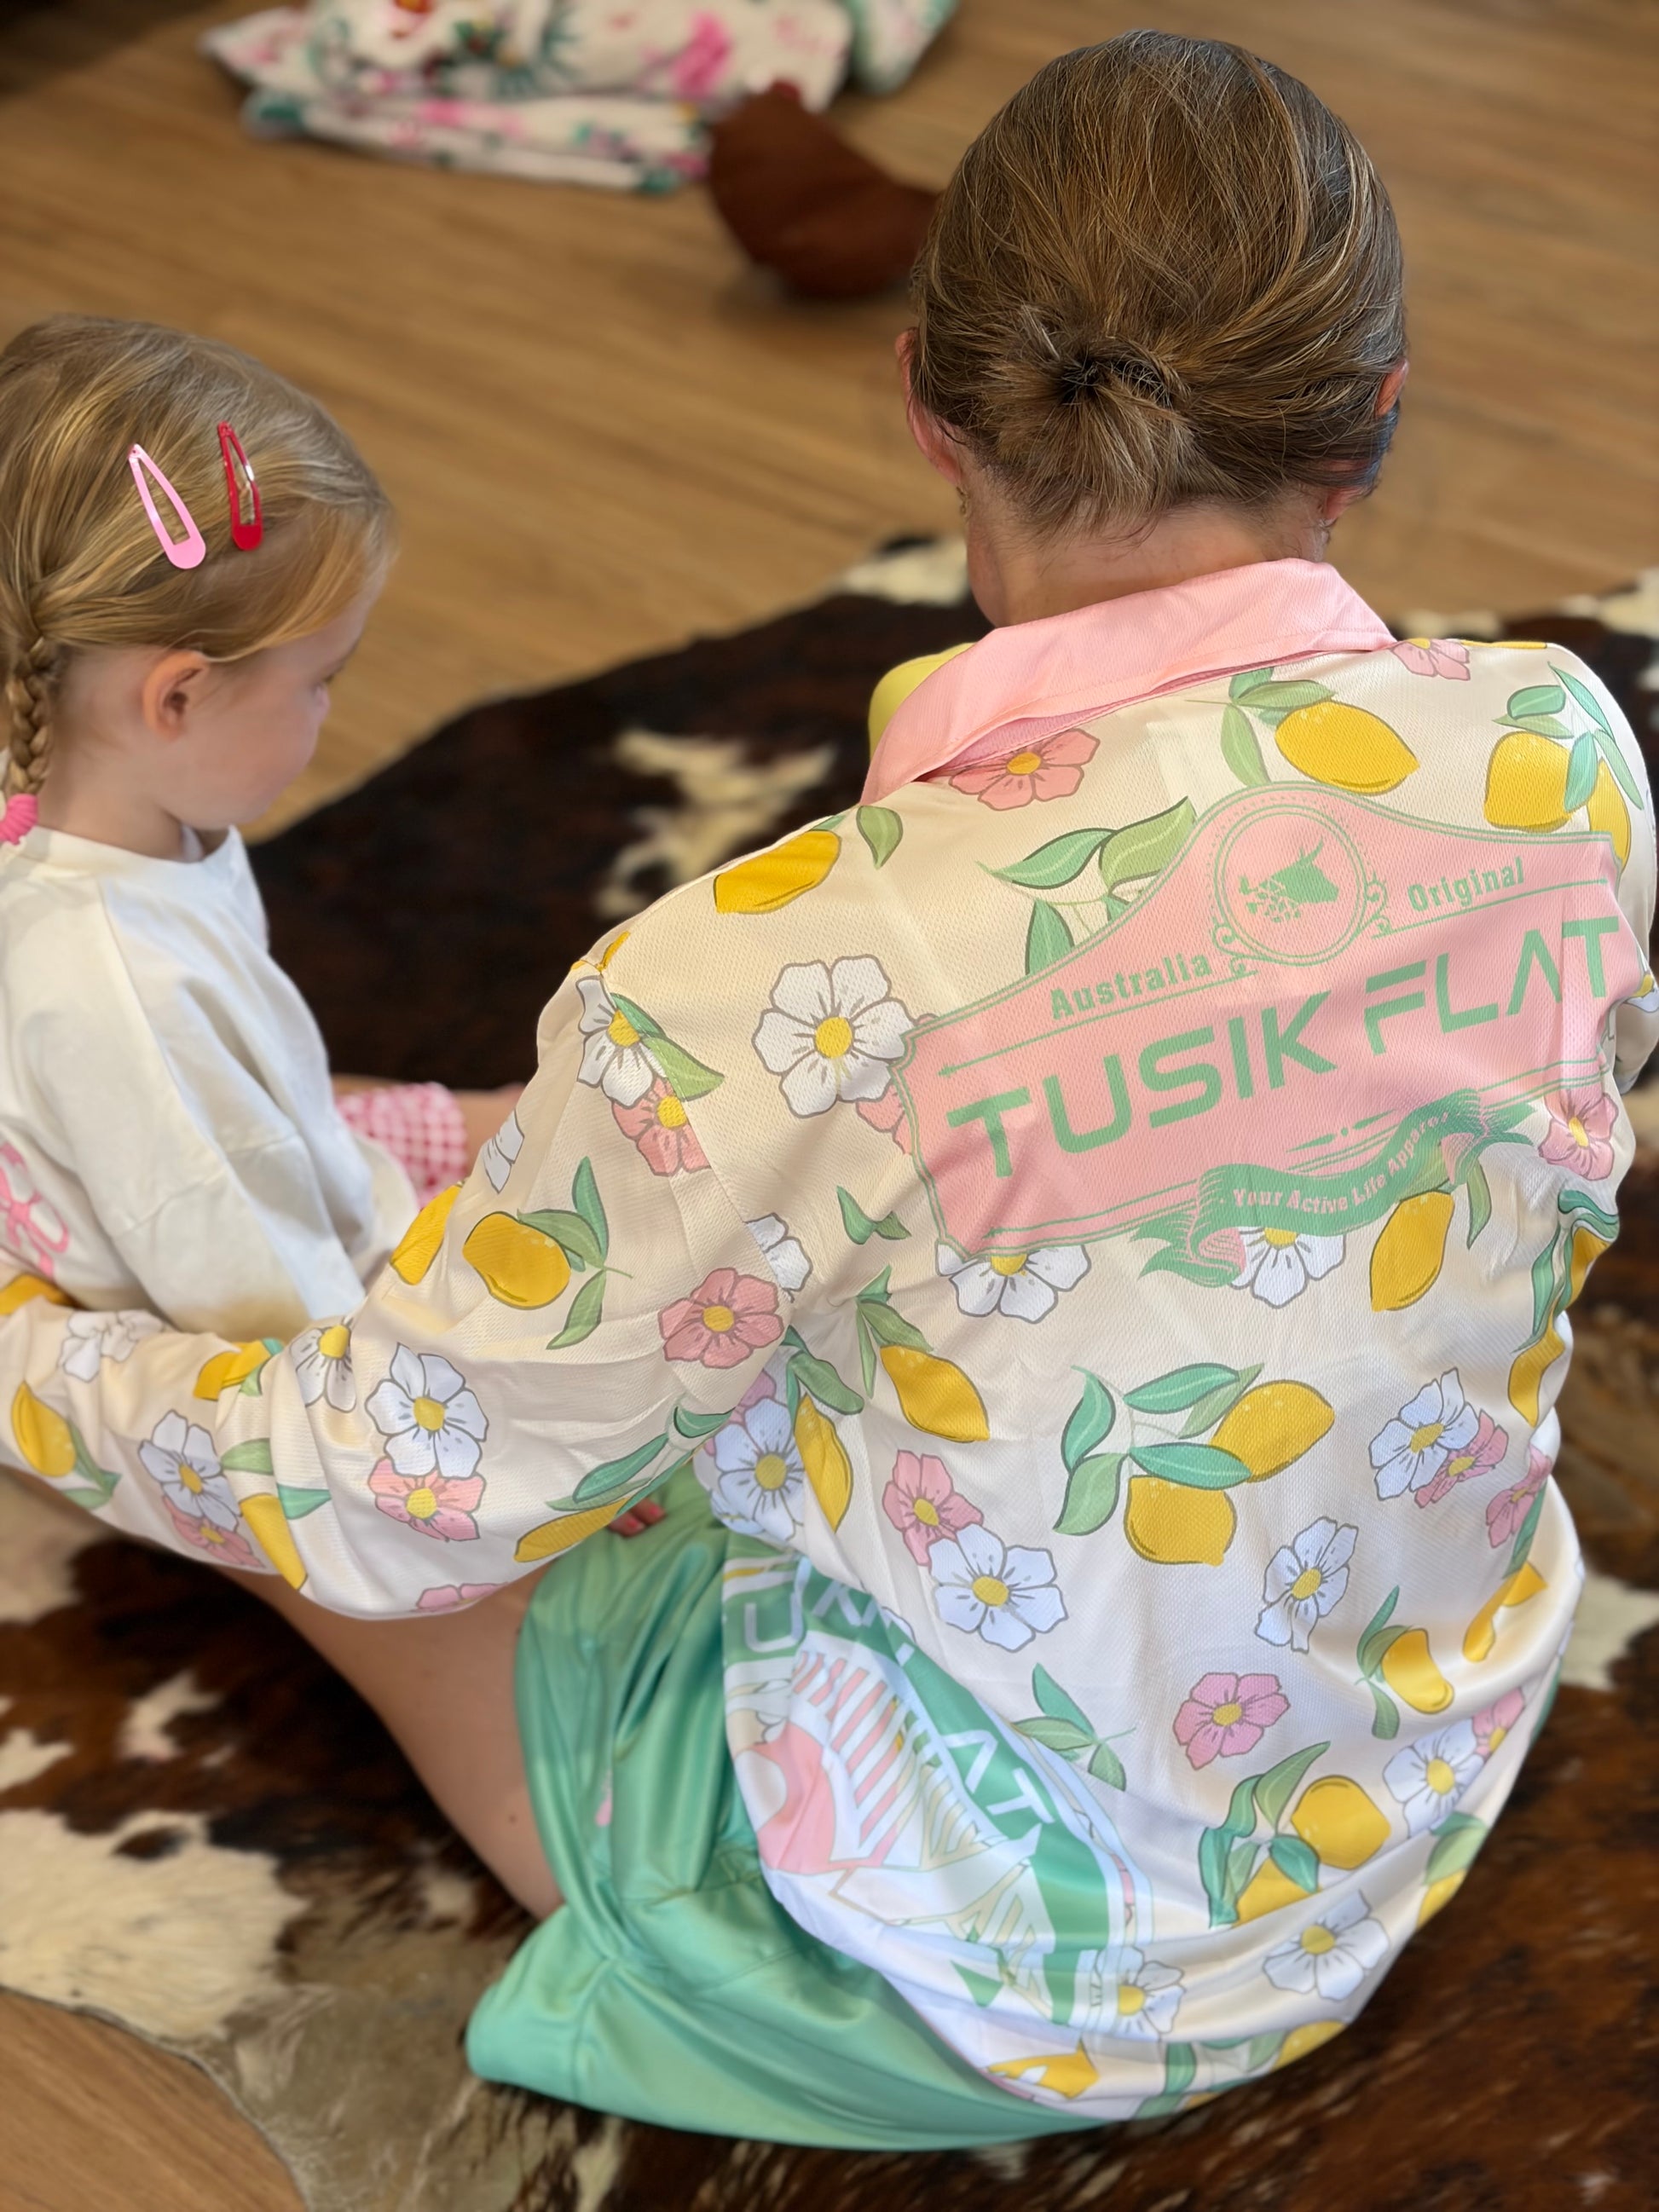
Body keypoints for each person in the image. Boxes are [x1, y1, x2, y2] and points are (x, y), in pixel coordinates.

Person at [2, 32, 1654, 2150]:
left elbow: (388, 1490)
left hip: (979, 1975)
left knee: (293, 1450)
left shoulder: (758, 981)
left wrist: (43, 1363)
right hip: (1408, 1769)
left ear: (923, 408)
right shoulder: (1564, 751)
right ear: (1375, 422)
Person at [0, 320, 524, 1336]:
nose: (328, 708)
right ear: (178, 698)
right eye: (321, 679)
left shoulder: (74, 801)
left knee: (519, 1123)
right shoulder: (127, 996)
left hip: (221, 1163)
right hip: (242, 1302)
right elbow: (270, 1309)